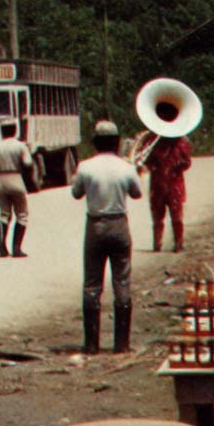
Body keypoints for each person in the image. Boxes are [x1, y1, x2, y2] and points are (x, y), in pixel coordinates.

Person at [71, 120, 143, 354]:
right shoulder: (126, 166)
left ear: (95, 143)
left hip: (95, 225)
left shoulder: (85, 166)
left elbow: (76, 193)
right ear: (117, 142)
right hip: (119, 223)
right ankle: (121, 344)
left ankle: (91, 344)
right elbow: (137, 193)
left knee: (92, 284)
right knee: (121, 281)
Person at [138, 118, 192, 252]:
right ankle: (157, 244)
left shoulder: (180, 141)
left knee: (176, 215)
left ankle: (178, 243)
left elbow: (187, 162)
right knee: (157, 214)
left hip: (174, 183)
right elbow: (144, 159)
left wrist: (176, 165)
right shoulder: (153, 140)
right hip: (158, 183)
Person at [0, 121, 34, 257]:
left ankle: (1, 245)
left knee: (4, 214)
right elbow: (27, 163)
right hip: (16, 178)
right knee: (22, 214)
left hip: (1, 180)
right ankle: (16, 247)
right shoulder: (20, 146)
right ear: (15, 130)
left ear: (2, 131)